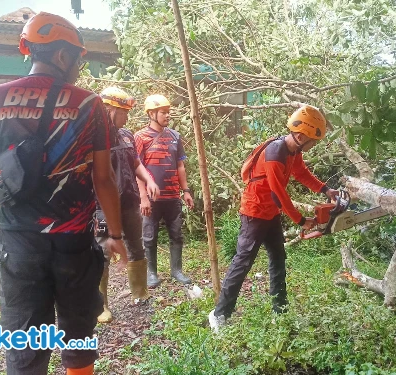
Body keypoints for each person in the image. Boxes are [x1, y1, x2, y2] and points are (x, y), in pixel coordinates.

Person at [0, 12, 127, 375]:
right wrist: (117, 235)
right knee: (77, 333)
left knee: (25, 343)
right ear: (62, 57)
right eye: (78, 58)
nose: (79, 66)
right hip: (73, 243)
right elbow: (103, 179)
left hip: (18, 244)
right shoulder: (90, 106)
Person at [208, 105, 340, 332]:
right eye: (313, 142)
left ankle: (281, 311)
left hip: (271, 214)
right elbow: (278, 194)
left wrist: (325, 190)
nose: (313, 146)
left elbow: (301, 173)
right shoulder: (275, 153)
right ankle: (220, 315)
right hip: (254, 213)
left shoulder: (293, 151)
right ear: (300, 136)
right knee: (243, 263)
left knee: (278, 259)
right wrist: (301, 220)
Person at [95, 87, 160, 323]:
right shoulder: (94, 137)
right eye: (124, 112)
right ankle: (100, 304)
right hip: (101, 207)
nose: (127, 117)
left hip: (129, 200)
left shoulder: (126, 135)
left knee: (136, 245)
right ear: (110, 109)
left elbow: (135, 163)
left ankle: (140, 294)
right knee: (101, 250)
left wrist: (149, 179)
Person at [134, 94, 194, 287]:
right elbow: (137, 168)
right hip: (151, 199)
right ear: (152, 114)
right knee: (150, 236)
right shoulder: (140, 137)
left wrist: (185, 191)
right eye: (163, 112)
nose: (168, 115)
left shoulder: (175, 137)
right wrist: (143, 197)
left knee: (176, 234)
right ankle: (152, 273)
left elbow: (180, 166)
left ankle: (177, 270)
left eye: (168, 112)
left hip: (172, 196)